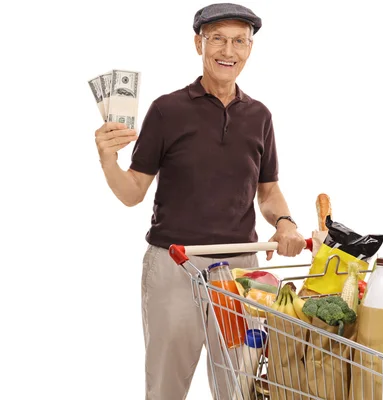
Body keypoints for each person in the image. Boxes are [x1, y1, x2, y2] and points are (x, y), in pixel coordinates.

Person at [93, 3, 306, 399]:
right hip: (176, 265)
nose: (229, 51)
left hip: (240, 272)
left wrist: (285, 222)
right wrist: (108, 160)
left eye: (239, 41)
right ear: (199, 44)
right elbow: (133, 192)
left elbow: (269, 190)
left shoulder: (259, 115)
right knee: (167, 387)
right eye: (218, 40)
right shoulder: (167, 110)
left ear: (249, 49)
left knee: (238, 387)